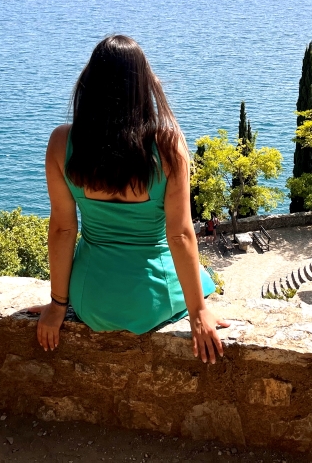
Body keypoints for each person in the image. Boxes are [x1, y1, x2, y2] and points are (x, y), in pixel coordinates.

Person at [32, 35, 227, 363]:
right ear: (143, 86)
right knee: (209, 283)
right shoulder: (167, 146)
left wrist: (57, 305)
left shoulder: (61, 143)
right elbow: (179, 235)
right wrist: (198, 313)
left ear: (89, 84)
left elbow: (63, 231)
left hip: (90, 298)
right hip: (152, 298)